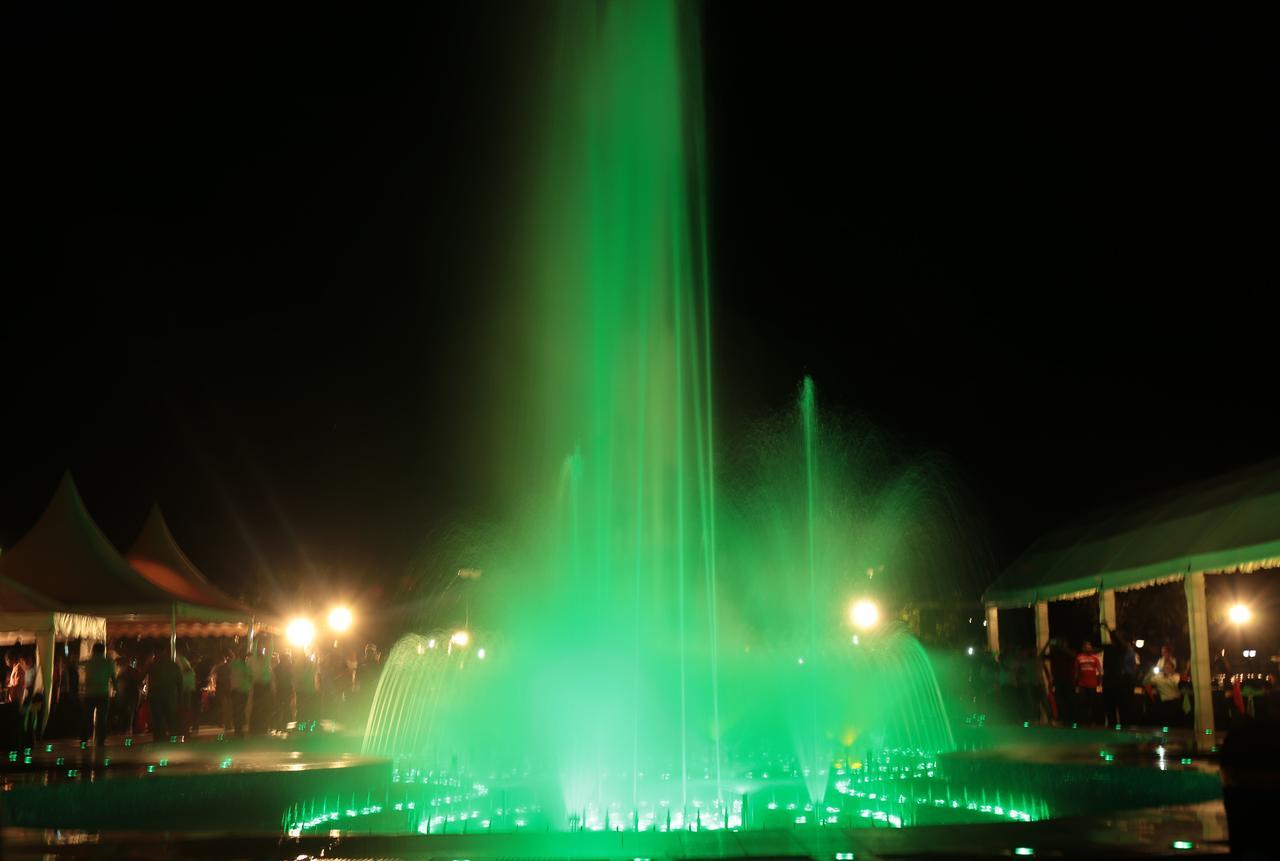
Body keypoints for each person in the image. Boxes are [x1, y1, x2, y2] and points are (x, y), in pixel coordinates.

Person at [81, 643, 116, 747]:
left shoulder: (88, 662)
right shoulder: (109, 663)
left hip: (89, 693)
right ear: (103, 651)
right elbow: (113, 678)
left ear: (93, 650)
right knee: (102, 718)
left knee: (87, 717)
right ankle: (100, 740)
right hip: (103, 693)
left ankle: (84, 738)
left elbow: (78, 663)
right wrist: (116, 689)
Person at [1101, 628, 1137, 727]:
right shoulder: (1113, 649)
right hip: (1115, 681)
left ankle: (1122, 729)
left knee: (1122, 709)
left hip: (1122, 681)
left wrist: (1109, 630)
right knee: (1113, 709)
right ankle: (1115, 728)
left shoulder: (1125, 649)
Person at [147, 646, 183, 742]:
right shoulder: (173, 666)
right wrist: (180, 698)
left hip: (156, 697)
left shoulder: (153, 666)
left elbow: (143, 679)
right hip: (170, 697)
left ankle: (159, 741)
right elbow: (180, 683)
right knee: (171, 719)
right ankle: (173, 740)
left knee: (158, 720)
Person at [1145, 645, 1182, 725]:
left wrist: (1168, 671)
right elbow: (1156, 672)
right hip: (1162, 682)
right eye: (1162, 652)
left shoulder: (1174, 661)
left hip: (1171, 683)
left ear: (1169, 652)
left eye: (1165, 652)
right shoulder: (1160, 660)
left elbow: (1173, 672)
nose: (1163, 653)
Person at [1073, 640, 1103, 725]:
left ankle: (1093, 721)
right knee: (1083, 704)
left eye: (1089, 646)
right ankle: (1084, 721)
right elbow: (1076, 672)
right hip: (1082, 685)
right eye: (1087, 646)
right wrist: (1076, 684)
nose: (1089, 647)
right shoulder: (1079, 657)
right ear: (1083, 648)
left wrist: (1100, 684)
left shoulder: (1095, 657)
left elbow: (1099, 671)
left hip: (1093, 685)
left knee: (1093, 703)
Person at [247, 645, 275, 735]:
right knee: (262, 708)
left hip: (259, 686)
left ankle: (257, 728)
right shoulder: (264, 663)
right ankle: (261, 728)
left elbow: (269, 650)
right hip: (262, 686)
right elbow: (270, 649)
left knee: (258, 707)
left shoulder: (255, 662)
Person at [229, 649, 252, 736]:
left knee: (240, 709)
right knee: (238, 710)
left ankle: (239, 728)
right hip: (238, 690)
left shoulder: (243, 665)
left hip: (242, 690)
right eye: (244, 655)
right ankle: (238, 728)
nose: (245, 657)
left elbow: (249, 677)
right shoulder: (237, 664)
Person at [176, 647, 197, 731]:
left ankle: (185, 728)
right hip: (184, 687)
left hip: (187, 687)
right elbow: (182, 670)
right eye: (185, 647)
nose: (187, 649)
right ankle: (184, 728)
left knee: (186, 707)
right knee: (185, 708)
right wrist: (190, 669)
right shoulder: (178, 657)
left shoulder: (182, 658)